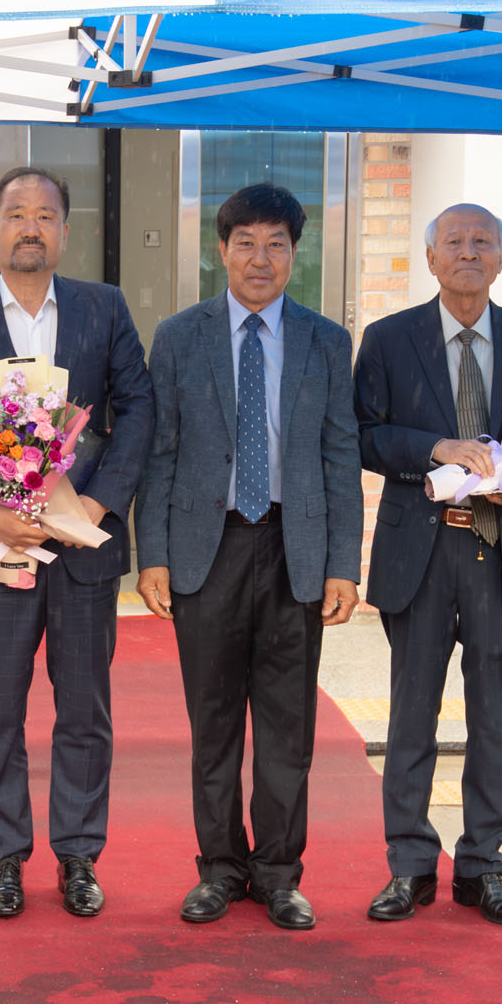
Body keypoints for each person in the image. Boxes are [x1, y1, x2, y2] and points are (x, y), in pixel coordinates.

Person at [0, 166, 152, 920]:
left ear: (65, 231)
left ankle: (79, 856)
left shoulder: (103, 308)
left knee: (85, 709)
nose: (30, 227)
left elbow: (138, 409)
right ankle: (5, 857)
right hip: (0, 550)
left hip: (83, 549)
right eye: (16, 214)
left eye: (45, 216)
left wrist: (96, 504)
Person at [135, 183, 362, 931]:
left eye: (276, 246)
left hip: (296, 549)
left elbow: (340, 456)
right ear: (221, 250)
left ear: (296, 253)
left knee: (288, 727)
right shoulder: (179, 336)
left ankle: (279, 875)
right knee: (214, 724)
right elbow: (160, 451)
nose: (260, 259)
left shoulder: (327, 341)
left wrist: (343, 563)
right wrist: (153, 553)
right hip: (208, 548)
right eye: (245, 244)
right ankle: (219, 870)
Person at [353, 203, 502, 927]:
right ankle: (410, 867)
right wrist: (436, 449)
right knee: (411, 718)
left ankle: (483, 869)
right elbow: (363, 436)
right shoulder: (388, 339)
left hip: (500, 552)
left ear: (501, 257)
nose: (468, 253)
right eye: (454, 241)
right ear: (431, 257)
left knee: (494, 721)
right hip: (419, 553)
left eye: (482, 242)